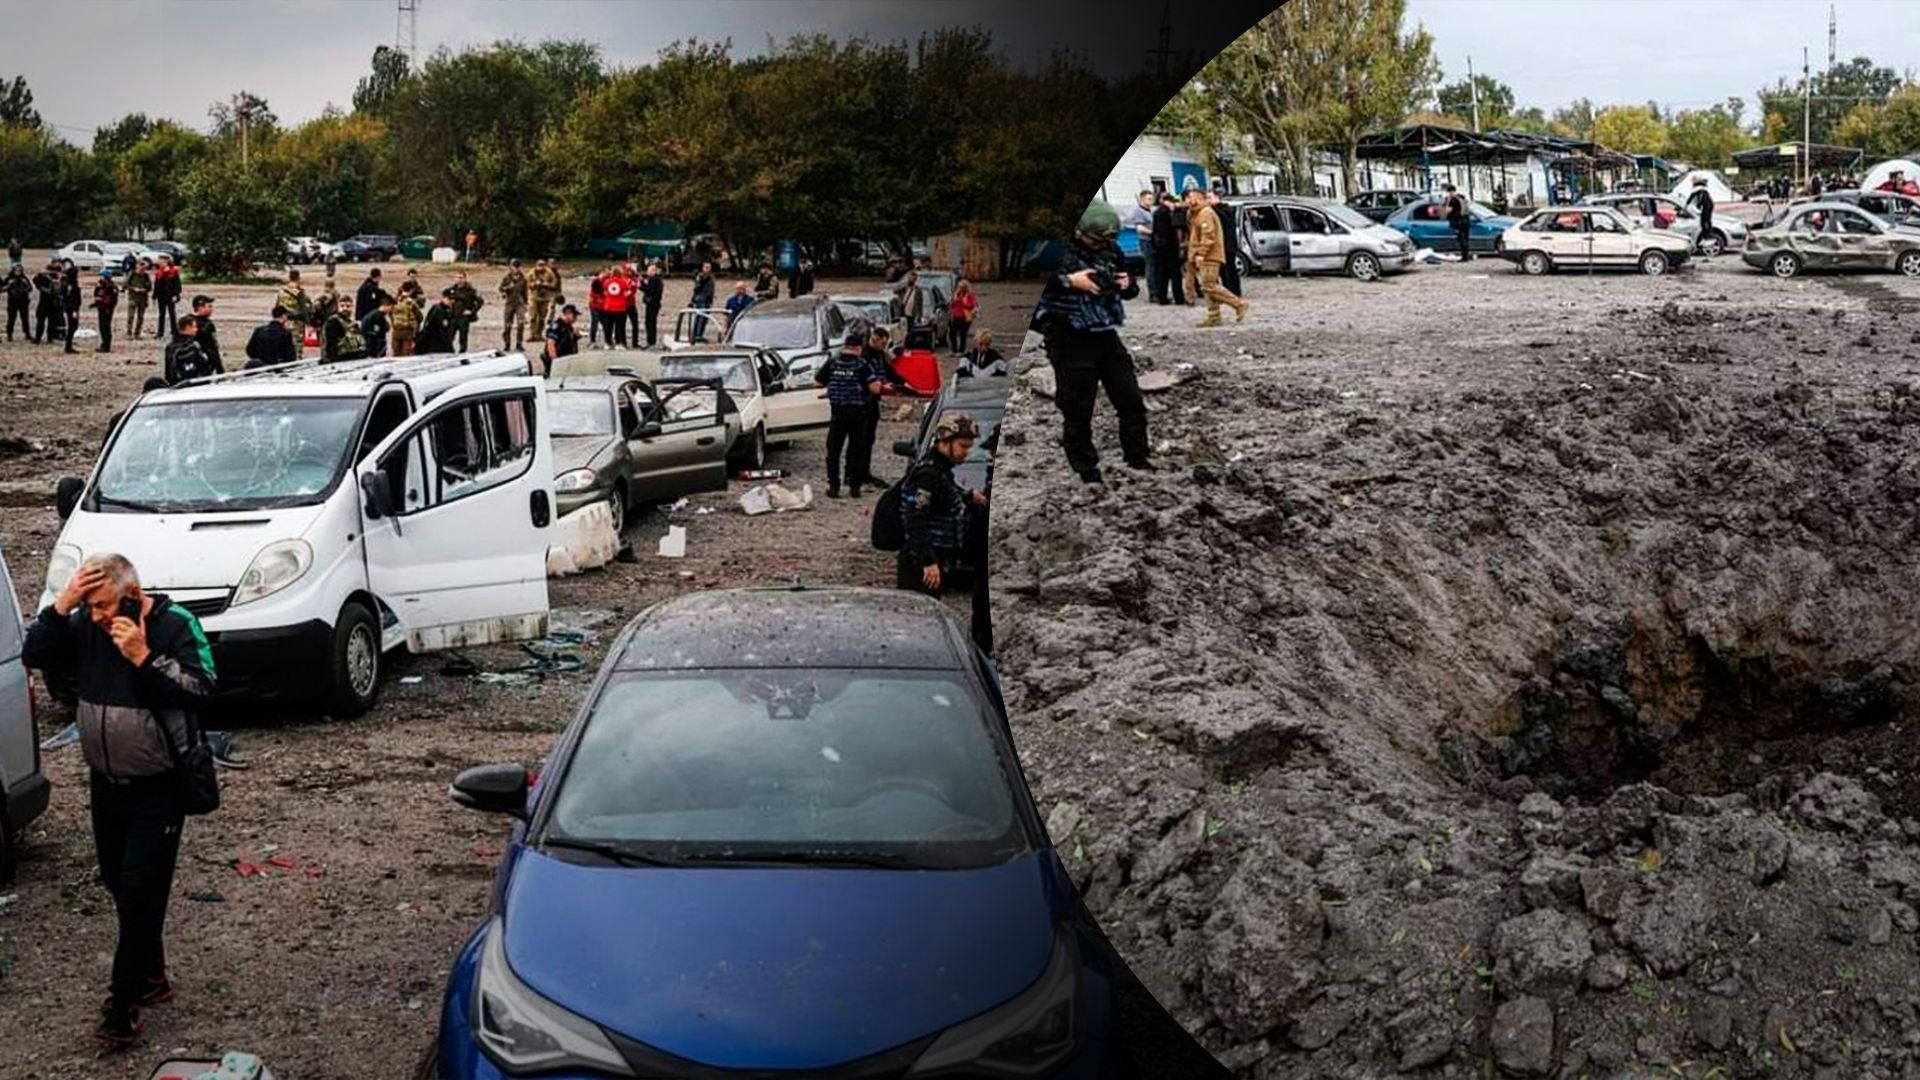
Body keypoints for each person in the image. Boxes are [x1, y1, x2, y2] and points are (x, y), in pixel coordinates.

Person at [21, 553, 216, 1050]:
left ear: (133, 594)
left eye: (105, 605)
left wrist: (144, 658)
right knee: (117, 882)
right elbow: (35, 654)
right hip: (106, 782)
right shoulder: (86, 623)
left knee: (138, 895)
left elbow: (204, 690)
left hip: (160, 784)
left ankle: (122, 1005)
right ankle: (151, 977)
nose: (100, 616)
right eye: (90, 605)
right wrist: (60, 607)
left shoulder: (173, 625)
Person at [1032, 202, 1149, 484]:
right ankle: (1087, 471)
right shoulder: (1053, 251)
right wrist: (1070, 281)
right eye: (1096, 240)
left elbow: (1129, 288)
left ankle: (1138, 458)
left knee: (1130, 399)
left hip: (1105, 334)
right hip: (1068, 337)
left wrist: (1126, 284)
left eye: (1107, 240)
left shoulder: (1111, 251)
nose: (1101, 245)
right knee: (1077, 409)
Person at [898, 412, 987, 597]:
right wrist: (928, 562)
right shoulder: (928, 475)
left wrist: (969, 496)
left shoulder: (942, 471)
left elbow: (946, 492)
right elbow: (915, 518)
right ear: (945, 442)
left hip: (938, 556)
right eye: (962, 446)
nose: (966, 452)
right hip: (921, 561)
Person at [815, 320, 885, 498]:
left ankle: (834, 487)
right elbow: (875, 388)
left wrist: (833, 385)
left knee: (833, 451)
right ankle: (854, 487)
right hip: (858, 414)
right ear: (858, 348)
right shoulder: (862, 365)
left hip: (837, 413)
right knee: (856, 450)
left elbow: (817, 381)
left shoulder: (832, 363)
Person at [1186, 186, 1247, 328]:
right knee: (1207, 287)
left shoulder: (1205, 213)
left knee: (1210, 285)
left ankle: (1239, 304)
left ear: (1198, 198)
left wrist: (1201, 253)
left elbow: (1209, 235)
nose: (1187, 200)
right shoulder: (1198, 212)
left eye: (1190, 197)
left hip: (1210, 255)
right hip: (1205, 255)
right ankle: (1214, 316)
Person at [1207, 188, 1244, 296]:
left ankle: (1231, 292)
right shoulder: (1224, 210)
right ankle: (1232, 291)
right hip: (1226, 244)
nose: (1208, 201)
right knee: (1226, 270)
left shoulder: (1222, 210)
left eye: (1210, 198)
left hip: (1226, 245)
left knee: (1228, 270)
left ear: (1217, 198)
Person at [1151, 193, 1185, 305]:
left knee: (1162, 274)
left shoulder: (1156, 212)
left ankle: (1162, 297)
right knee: (1175, 273)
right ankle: (1179, 297)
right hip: (1170, 246)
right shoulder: (1169, 213)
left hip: (1159, 246)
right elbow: (1177, 227)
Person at [163, 316, 216, 384]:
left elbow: (168, 372)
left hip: (177, 385)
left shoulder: (170, 347)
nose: (196, 329)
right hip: (194, 384)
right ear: (188, 327)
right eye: (194, 326)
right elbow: (204, 368)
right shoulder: (192, 346)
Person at [276, 271, 312, 361]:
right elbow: (305, 308)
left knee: (284, 342)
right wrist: (308, 322)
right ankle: (296, 360)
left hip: (284, 321)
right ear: (298, 278)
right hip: (297, 322)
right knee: (297, 344)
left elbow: (277, 307)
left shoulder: (281, 291)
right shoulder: (299, 292)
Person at [320, 296, 367, 363]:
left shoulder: (351, 322)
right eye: (342, 306)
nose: (345, 308)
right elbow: (330, 345)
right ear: (338, 307)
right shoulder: (333, 322)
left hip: (349, 358)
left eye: (348, 306)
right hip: (338, 359)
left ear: (352, 308)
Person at [447, 270, 483, 352]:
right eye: (457, 278)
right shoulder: (451, 290)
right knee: (449, 337)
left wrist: (472, 311)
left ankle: (462, 354)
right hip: (453, 317)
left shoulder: (470, 290)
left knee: (463, 338)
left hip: (463, 318)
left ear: (465, 279)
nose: (459, 280)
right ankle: (449, 353)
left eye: (461, 278)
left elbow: (480, 301)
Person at [541, 303, 581, 377]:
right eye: (574, 316)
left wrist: (576, 335)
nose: (576, 319)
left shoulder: (569, 327)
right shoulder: (556, 326)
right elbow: (551, 344)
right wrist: (556, 362)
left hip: (568, 360)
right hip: (560, 361)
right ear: (568, 314)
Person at [498, 259, 529, 352]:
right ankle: (507, 343)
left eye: (515, 267)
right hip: (509, 303)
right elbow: (500, 288)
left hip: (520, 303)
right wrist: (508, 288)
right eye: (512, 267)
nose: (513, 269)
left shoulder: (523, 278)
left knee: (521, 324)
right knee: (507, 325)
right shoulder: (507, 278)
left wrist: (526, 304)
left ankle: (519, 343)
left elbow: (525, 292)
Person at [529, 259, 563, 341]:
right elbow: (527, 284)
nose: (540, 268)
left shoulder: (550, 273)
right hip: (534, 297)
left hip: (545, 298)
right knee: (533, 317)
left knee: (542, 317)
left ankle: (539, 334)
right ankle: (532, 335)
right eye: (539, 266)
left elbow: (555, 284)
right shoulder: (531, 273)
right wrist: (534, 284)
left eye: (542, 266)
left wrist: (546, 284)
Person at [416, 290, 458, 354]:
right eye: (449, 299)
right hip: (435, 344)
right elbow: (441, 330)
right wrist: (449, 348)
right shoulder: (439, 310)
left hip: (439, 344)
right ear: (443, 298)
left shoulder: (446, 310)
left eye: (453, 299)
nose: (451, 301)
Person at [599, 267, 631, 348]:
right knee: (619, 326)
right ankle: (618, 343)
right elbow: (627, 292)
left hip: (608, 307)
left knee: (608, 326)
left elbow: (605, 292)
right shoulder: (623, 282)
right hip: (620, 307)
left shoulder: (607, 282)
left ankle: (607, 342)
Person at [151, 255, 180, 340]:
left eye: (161, 261)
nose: (159, 262)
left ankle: (174, 331)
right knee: (161, 314)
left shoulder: (173, 271)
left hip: (170, 295)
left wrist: (176, 294)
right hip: (161, 296)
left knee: (172, 314)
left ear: (166, 262)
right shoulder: (159, 272)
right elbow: (157, 285)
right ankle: (160, 332)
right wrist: (154, 296)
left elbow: (177, 285)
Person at [189, 295, 221, 372]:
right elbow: (213, 347)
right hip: (205, 361)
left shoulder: (188, 322)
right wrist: (220, 369)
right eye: (209, 306)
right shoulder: (208, 325)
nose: (211, 309)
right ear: (200, 307)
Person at [947, 278, 978, 356]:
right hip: (955, 316)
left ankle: (961, 350)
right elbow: (952, 304)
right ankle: (954, 349)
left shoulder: (970, 296)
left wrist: (962, 303)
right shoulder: (956, 294)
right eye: (960, 287)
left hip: (965, 317)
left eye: (962, 287)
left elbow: (972, 305)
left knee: (962, 334)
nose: (960, 288)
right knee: (952, 333)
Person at [1685, 176, 1716, 255]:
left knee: (1704, 221)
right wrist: (1698, 206)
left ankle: (1707, 237)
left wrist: (1686, 205)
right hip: (1709, 205)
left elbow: (1692, 198)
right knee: (1707, 221)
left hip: (1707, 206)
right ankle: (1708, 235)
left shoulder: (1698, 189)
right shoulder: (1703, 189)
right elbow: (1700, 199)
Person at [32, 261, 61, 344]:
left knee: (50, 322)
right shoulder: (44, 277)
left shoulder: (56, 278)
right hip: (45, 302)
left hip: (51, 302)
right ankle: (40, 338)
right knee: (42, 321)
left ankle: (47, 338)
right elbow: (35, 280)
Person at [1443, 183, 1473, 261]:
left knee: (1461, 239)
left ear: (1450, 191)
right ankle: (1466, 255)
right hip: (1466, 220)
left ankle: (1464, 257)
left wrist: (1446, 204)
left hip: (1459, 222)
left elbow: (1447, 211)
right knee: (1465, 238)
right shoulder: (1461, 198)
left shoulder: (1452, 200)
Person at [894, 270, 927, 342]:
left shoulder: (918, 290)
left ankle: (909, 342)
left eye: (913, 278)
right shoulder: (903, 287)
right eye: (910, 278)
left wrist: (920, 315)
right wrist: (905, 284)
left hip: (912, 313)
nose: (911, 280)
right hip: (902, 311)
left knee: (910, 330)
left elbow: (920, 303)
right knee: (902, 329)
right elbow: (895, 290)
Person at [124, 259, 152, 341]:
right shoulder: (132, 274)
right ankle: (129, 332)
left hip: (143, 298)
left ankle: (137, 333)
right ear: (137, 266)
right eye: (140, 266)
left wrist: (145, 289)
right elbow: (125, 285)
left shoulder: (146, 276)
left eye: (143, 267)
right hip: (133, 297)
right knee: (131, 316)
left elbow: (150, 287)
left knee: (141, 317)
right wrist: (133, 289)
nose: (142, 268)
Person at [93, 270, 119, 353]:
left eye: (102, 276)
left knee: (106, 327)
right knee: (101, 327)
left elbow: (113, 300)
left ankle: (106, 345)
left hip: (107, 309)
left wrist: (104, 302)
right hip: (101, 308)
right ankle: (103, 343)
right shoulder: (100, 286)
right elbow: (96, 294)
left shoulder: (112, 287)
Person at [390, 288, 422, 357]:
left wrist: (394, 323)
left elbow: (390, 314)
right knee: (406, 353)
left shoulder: (394, 301)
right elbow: (419, 316)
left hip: (396, 330)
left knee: (396, 353)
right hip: (407, 330)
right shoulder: (410, 302)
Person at [689, 261, 716, 342]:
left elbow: (711, 291)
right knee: (699, 317)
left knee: (704, 318)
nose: (708, 269)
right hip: (701, 299)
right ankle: (696, 335)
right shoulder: (700, 277)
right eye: (706, 267)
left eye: (709, 267)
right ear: (703, 268)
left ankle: (700, 333)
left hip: (707, 299)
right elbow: (696, 289)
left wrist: (711, 300)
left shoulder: (711, 278)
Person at [639, 262, 664, 348]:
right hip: (653, 303)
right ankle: (651, 341)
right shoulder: (655, 279)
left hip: (653, 303)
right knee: (650, 322)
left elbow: (650, 290)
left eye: (649, 270)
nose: (647, 272)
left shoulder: (654, 279)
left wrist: (641, 285)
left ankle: (651, 341)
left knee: (650, 322)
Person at [61, 262, 83, 354]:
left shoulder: (68, 284)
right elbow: (72, 299)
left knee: (72, 326)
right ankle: (68, 345)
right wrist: (74, 310)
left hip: (70, 307)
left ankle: (68, 344)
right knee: (72, 326)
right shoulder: (72, 285)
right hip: (72, 308)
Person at [4, 263, 29, 341]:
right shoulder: (9, 278)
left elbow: (30, 288)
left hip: (23, 302)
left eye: (20, 270)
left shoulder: (24, 278)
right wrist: (9, 285)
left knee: (25, 319)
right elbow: (2, 289)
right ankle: (9, 335)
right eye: (16, 270)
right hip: (12, 302)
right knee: (11, 319)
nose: (18, 272)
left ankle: (27, 334)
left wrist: (26, 284)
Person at [621, 262, 642, 349]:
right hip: (623, 304)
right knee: (622, 324)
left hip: (631, 304)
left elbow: (635, 288)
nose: (629, 273)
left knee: (635, 323)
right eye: (627, 271)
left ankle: (635, 342)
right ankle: (623, 342)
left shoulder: (633, 279)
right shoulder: (621, 280)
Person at [587, 265, 608, 347]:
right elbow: (596, 293)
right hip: (595, 305)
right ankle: (592, 340)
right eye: (606, 272)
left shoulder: (606, 280)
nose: (607, 274)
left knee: (605, 323)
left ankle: (607, 339)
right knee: (595, 322)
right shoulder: (597, 281)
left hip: (603, 305)